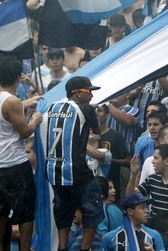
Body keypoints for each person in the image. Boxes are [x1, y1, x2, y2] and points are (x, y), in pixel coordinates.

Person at [43, 75, 104, 251]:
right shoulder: (85, 109)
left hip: (54, 170)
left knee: (63, 211)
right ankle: (84, 248)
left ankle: (62, 248)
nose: (91, 96)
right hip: (76, 170)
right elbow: (96, 130)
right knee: (93, 209)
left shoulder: (52, 107)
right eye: (88, 92)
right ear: (76, 93)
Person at [0, 59, 42, 251]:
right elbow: (25, 132)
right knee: (26, 211)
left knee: (1, 206)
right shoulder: (11, 101)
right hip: (15, 164)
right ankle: (25, 248)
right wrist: (34, 119)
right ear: (18, 77)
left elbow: (9, 109)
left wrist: (29, 101)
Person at [127, 144, 168, 242]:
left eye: (156, 158)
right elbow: (130, 198)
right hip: (154, 232)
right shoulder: (152, 179)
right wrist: (133, 174)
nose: (152, 161)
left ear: (167, 161)